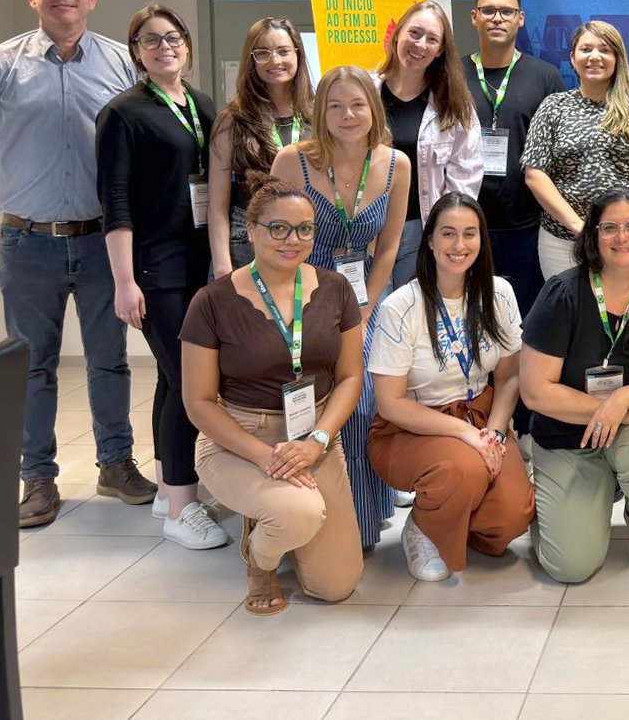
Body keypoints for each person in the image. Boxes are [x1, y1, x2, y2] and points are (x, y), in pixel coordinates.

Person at [0, 0, 152, 527]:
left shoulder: (124, 65)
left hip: (101, 242)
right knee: (32, 365)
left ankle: (115, 464)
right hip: (28, 244)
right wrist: (33, 195)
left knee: (109, 360)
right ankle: (38, 479)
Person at [181, 179, 365, 615]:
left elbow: (350, 377)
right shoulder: (212, 302)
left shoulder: (336, 289)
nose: (292, 240)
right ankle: (260, 561)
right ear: (251, 229)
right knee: (299, 513)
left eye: (305, 229)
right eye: (279, 228)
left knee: (336, 586)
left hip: (313, 435)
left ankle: (273, 519)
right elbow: (198, 402)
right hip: (240, 438)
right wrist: (266, 458)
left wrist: (317, 441)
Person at [95, 3, 227, 549]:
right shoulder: (122, 114)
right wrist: (125, 282)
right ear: (136, 52)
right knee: (192, 381)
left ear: (187, 45)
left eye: (172, 38)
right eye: (150, 40)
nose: (164, 47)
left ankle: (167, 488)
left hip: (198, 260)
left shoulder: (200, 103)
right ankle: (181, 509)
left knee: (173, 378)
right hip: (155, 266)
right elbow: (116, 202)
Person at [520, 189, 629, 583]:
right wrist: (617, 409)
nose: (622, 237)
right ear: (593, 235)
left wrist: (626, 399)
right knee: (571, 568)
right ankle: (557, 502)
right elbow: (534, 391)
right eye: (609, 227)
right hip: (568, 434)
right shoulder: (562, 294)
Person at [272, 65, 410, 549]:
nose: (347, 115)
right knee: (316, 396)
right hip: (303, 291)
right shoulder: (292, 162)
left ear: (373, 110)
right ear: (320, 112)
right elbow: (275, 238)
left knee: (364, 398)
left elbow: (388, 246)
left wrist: (366, 310)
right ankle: (308, 517)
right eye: (335, 106)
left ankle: (364, 518)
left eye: (357, 105)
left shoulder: (396, 164)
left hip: (364, 293)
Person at [368, 193, 534, 581]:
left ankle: (452, 512)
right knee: (463, 469)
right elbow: (390, 404)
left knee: (512, 517)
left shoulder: (499, 293)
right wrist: (466, 434)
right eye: (448, 233)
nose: (459, 245)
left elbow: (509, 377)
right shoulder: (401, 306)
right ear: (429, 240)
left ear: (482, 239)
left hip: (481, 416)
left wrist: (494, 432)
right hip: (410, 427)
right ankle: (423, 527)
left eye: (469, 234)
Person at [522, 21, 629, 279]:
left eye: (605, 50)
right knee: (568, 305)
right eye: (586, 49)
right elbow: (535, 174)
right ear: (573, 58)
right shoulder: (553, 107)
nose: (594, 56)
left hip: (626, 240)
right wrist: (580, 227)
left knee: (627, 305)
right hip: (563, 241)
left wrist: (619, 223)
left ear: (617, 58)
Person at [461, 0, 566, 315]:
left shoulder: (545, 77)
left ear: (520, 19)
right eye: (488, 10)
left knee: (527, 320)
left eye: (506, 12)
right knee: (471, 316)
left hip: (528, 226)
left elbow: (559, 155)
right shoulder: (452, 75)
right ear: (474, 17)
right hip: (466, 224)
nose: (497, 18)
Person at [375, 0, 483, 292]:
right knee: (368, 314)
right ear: (397, 33)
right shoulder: (366, 93)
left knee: (415, 313)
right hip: (368, 232)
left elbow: (465, 178)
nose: (420, 44)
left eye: (432, 39)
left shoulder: (455, 106)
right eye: (414, 33)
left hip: (421, 232)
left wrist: (446, 234)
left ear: (440, 50)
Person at [206, 16, 314, 277]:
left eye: (283, 51)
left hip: (303, 240)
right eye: (263, 53)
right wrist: (222, 266)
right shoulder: (233, 119)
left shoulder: (316, 115)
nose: (275, 61)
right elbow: (217, 205)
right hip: (246, 241)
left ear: (298, 54)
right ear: (251, 61)